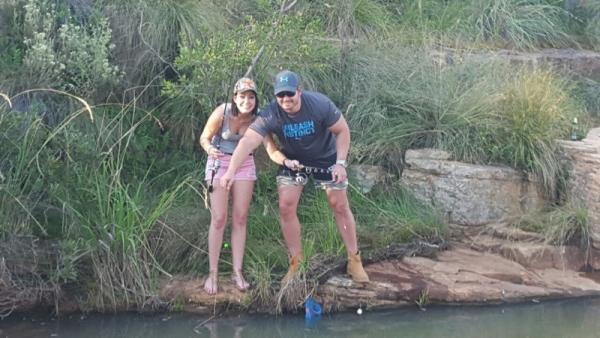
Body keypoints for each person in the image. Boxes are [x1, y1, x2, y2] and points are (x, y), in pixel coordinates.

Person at [220, 70, 369, 285]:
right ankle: (296, 261)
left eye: (290, 94)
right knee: (286, 206)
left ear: (299, 91)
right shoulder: (271, 114)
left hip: (326, 158)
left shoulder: (319, 104)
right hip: (293, 161)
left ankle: (354, 259)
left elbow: (343, 131)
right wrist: (231, 171)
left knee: (339, 205)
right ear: (275, 96)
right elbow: (248, 142)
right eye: (281, 95)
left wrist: (341, 163)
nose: (286, 99)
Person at [198, 77, 285, 294]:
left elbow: (271, 150)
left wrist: (286, 161)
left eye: (251, 97)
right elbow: (204, 138)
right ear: (235, 97)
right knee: (219, 218)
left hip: (245, 164)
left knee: (240, 217)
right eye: (242, 96)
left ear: (256, 99)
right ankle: (213, 273)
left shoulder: (259, 119)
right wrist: (210, 149)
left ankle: (237, 271)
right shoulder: (222, 111)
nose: (247, 101)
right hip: (219, 162)